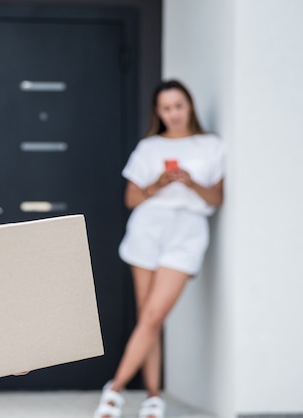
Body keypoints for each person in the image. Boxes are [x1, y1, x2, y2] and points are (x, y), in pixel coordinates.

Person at [93, 80, 224, 418]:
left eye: (179, 105)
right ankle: (153, 397)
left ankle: (115, 390)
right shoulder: (149, 147)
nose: (174, 113)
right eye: (166, 108)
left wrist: (192, 182)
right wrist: (159, 184)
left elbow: (217, 198)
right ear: (159, 112)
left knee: (153, 315)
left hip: (187, 231)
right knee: (147, 319)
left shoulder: (210, 146)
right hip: (148, 229)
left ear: (189, 106)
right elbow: (131, 199)